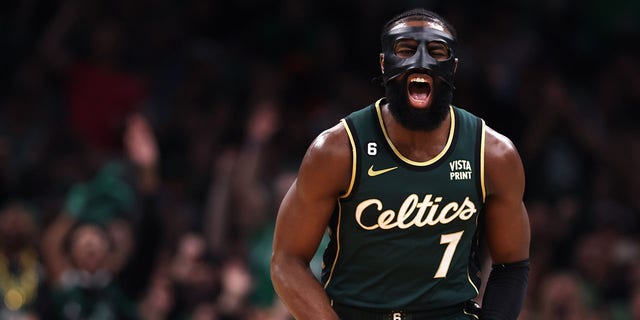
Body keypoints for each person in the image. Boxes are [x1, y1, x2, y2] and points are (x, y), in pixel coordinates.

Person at [270, 8, 530, 320]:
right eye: (406, 50)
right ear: (383, 63)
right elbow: (286, 260)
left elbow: (512, 264)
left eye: (436, 51)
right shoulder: (337, 150)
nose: (420, 61)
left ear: (454, 67)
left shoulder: (492, 154)